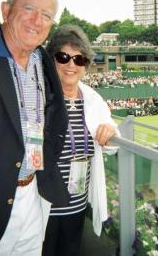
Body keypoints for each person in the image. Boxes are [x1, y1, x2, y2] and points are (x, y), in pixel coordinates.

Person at [0, 0, 70, 255]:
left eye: (47, 15)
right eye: (28, 8)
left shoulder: (44, 61)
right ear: (6, 10)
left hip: (34, 195)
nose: (36, 21)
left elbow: (53, 118)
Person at [42, 24, 119, 256]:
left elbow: (113, 143)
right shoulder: (41, 96)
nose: (71, 65)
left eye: (79, 59)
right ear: (51, 59)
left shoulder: (93, 99)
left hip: (77, 206)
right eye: (63, 57)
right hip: (43, 207)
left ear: (86, 65)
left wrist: (110, 133)